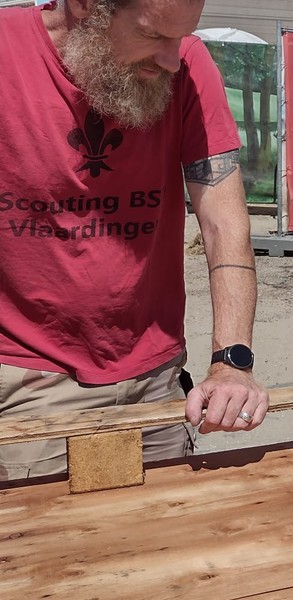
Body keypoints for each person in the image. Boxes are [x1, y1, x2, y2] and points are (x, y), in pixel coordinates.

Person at [0, 0, 269, 480]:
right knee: (50, 548)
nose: (172, 58)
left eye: (181, 37)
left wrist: (232, 361)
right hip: (30, 381)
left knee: (161, 539)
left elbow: (222, 222)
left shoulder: (186, 61)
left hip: (156, 377)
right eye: (152, 36)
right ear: (86, 6)